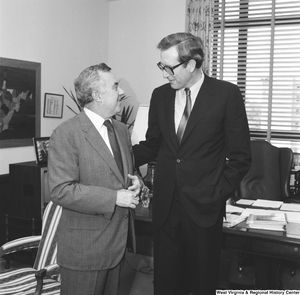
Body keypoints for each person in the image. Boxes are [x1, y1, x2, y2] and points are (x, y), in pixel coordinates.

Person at [132, 32, 252, 295]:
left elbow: (241, 156)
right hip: (165, 206)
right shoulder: (160, 95)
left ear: (191, 64)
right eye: (161, 66)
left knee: (200, 282)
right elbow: (153, 144)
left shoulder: (226, 94)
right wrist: (114, 157)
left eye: (169, 67)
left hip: (204, 207)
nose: (164, 74)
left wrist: (217, 192)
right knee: (165, 282)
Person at [48, 63, 141, 295]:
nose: (120, 92)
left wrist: (137, 181)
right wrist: (114, 197)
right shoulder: (67, 133)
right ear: (97, 95)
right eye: (115, 86)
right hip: (86, 251)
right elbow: (61, 190)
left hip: (118, 246)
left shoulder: (120, 130)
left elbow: (123, 173)